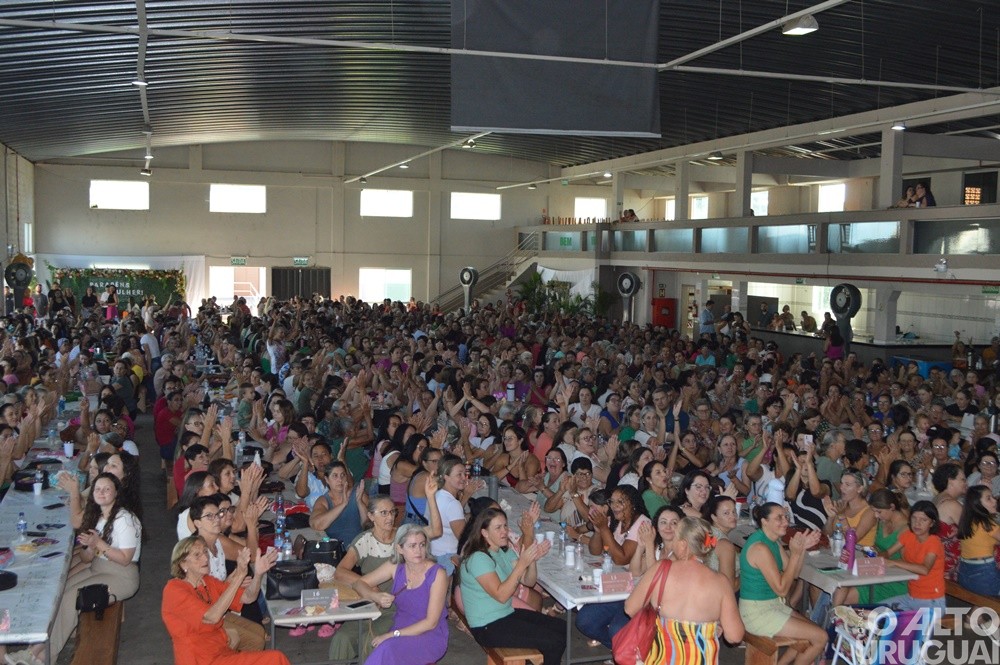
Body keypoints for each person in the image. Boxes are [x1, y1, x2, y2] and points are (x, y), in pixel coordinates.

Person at [15, 473, 142, 665]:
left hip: (122, 576)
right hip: (99, 568)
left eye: (107, 489)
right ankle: (34, 649)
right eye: (98, 489)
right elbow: (86, 558)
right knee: (60, 593)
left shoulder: (124, 519)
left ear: (116, 493)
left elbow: (125, 559)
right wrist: (90, 548)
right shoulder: (96, 515)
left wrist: (98, 543)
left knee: (71, 598)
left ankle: (43, 656)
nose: (101, 492)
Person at [624, 517, 744, 665]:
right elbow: (734, 636)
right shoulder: (720, 582)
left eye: (675, 537)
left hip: (661, 660)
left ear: (682, 545)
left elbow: (630, 608)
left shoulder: (661, 569)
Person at [457, 506, 565, 665]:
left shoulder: (503, 551)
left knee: (561, 627)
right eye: (498, 528)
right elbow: (501, 595)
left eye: (505, 526)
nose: (504, 531)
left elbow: (528, 581)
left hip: (505, 614)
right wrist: (522, 563)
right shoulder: (478, 558)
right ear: (484, 533)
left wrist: (531, 560)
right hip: (487, 625)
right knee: (553, 641)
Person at [161, 536, 287, 665]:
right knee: (275, 659)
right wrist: (239, 576)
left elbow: (248, 597)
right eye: (197, 555)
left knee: (272, 656)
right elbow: (212, 617)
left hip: (221, 651)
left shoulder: (207, 581)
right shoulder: (174, 590)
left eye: (205, 552)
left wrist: (258, 574)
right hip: (200, 659)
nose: (205, 558)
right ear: (183, 564)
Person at [739, 502, 827, 665]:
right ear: (764, 521)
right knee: (821, 637)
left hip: (772, 605)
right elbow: (782, 590)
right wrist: (795, 554)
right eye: (779, 518)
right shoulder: (760, 548)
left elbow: (794, 573)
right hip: (756, 613)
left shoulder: (773, 541)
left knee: (813, 634)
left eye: (786, 517)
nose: (785, 522)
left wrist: (801, 550)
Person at [352, 524, 448, 665]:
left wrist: (392, 635)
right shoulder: (395, 567)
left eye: (422, 545)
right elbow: (358, 583)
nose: (418, 551)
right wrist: (375, 596)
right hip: (401, 627)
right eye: (412, 546)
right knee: (383, 649)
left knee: (387, 649)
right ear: (399, 548)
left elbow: (431, 623)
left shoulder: (437, 574)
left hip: (430, 635)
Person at [578, 485, 651, 648]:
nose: (615, 506)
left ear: (632, 503)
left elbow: (621, 559)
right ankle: (622, 648)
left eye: (620, 502)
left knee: (616, 629)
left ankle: (626, 649)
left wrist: (604, 528)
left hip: (635, 590)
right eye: (612, 502)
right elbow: (595, 551)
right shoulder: (616, 521)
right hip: (616, 585)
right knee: (584, 621)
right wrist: (599, 530)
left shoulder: (642, 523)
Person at [881, 501, 946, 611]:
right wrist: (876, 554)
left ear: (932, 523)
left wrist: (894, 562)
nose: (917, 523)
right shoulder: (909, 535)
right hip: (911, 597)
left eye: (923, 520)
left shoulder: (934, 542)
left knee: (886, 617)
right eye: (914, 518)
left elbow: (924, 569)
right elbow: (888, 553)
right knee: (875, 610)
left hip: (932, 601)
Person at [309, 461, 368, 546]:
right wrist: (343, 504)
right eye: (335, 476)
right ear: (327, 479)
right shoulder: (323, 500)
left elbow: (369, 525)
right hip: (336, 549)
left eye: (342, 475)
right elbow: (316, 525)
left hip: (360, 546)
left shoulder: (359, 494)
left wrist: (360, 503)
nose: (340, 480)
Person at [956, 485, 1000, 596]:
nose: (994, 500)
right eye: (988, 498)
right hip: (984, 578)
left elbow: (989, 540)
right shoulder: (987, 524)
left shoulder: (968, 521)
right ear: (977, 504)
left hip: (965, 575)